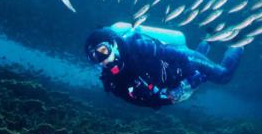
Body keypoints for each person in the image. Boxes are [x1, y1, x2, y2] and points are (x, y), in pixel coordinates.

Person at [85, 25, 244, 109]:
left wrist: (191, 78)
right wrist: (165, 100)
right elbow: (137, 100)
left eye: (103, 51)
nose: (101, 60)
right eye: (94, 57)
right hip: (174, 77)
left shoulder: (136, 47)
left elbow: (176, 55)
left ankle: (239, 42)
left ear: (113, 45)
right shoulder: (111, 81)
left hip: (184, 59)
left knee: (223, 76)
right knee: (205, 72)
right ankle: (209, 39)